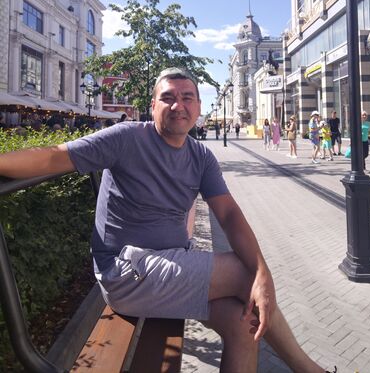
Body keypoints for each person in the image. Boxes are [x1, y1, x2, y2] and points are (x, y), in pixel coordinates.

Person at [0, 67, 334, 373]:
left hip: (167, 267)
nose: (178, 106)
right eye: (168, 98)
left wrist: (262, 272)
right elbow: (55, 157)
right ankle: (309, 370)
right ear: (153, 105)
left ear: (199, 107)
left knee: (243, 323)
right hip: (125, 272)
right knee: (245, 273)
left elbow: (229, 214)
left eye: (187, 98)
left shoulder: (200, 156)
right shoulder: (126, 138)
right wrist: (260, 274)